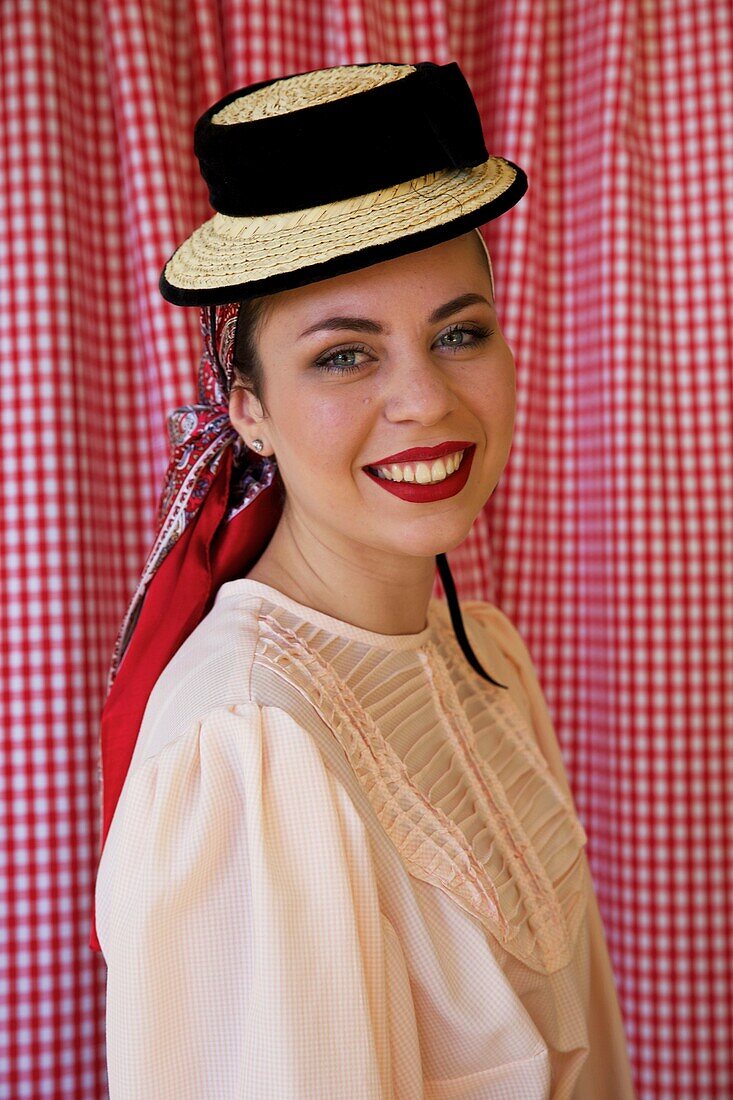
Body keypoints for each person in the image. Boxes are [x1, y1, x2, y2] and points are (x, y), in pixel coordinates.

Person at [90, 61, 636, 1098]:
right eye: (345, 355)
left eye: (459, 332)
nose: (424, 400)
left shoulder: (486, 656)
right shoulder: (252, 748)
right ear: (246, 406)